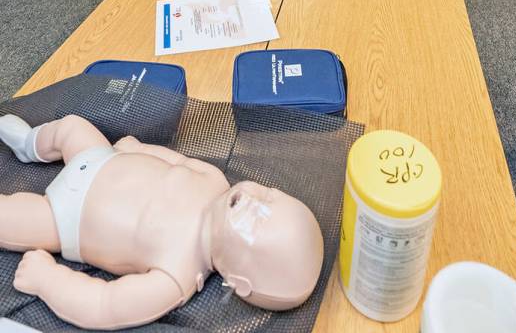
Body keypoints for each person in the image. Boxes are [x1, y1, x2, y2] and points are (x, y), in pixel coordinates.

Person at [0, 114, 323, 327]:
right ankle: (30, 143)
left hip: (65, 216)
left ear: (238, 282)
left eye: (256, 220)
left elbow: (104, 304)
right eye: (269, 194)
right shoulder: (215, 180)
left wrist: (47, 281)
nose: (254, 199)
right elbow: (176, 160)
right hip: (99, 156)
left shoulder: (176, 275)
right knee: (71, 126)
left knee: (9, 219)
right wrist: (139, 149)